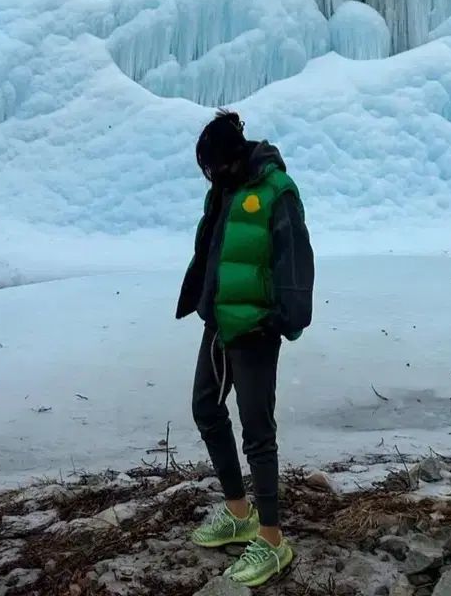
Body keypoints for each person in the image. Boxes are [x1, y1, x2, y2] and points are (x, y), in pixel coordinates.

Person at [176, 109, 315, 588]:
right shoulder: (226, 189)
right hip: (219, 325)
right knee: (206, 410)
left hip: (256, 329)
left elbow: (295, 259)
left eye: (212, 167)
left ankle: (274, 541)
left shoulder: (277, 192)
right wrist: (203, 301)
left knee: (258, 431)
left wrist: (282, 320)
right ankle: (239, 511)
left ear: (232, 158)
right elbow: (212, 251)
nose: (209, 176)